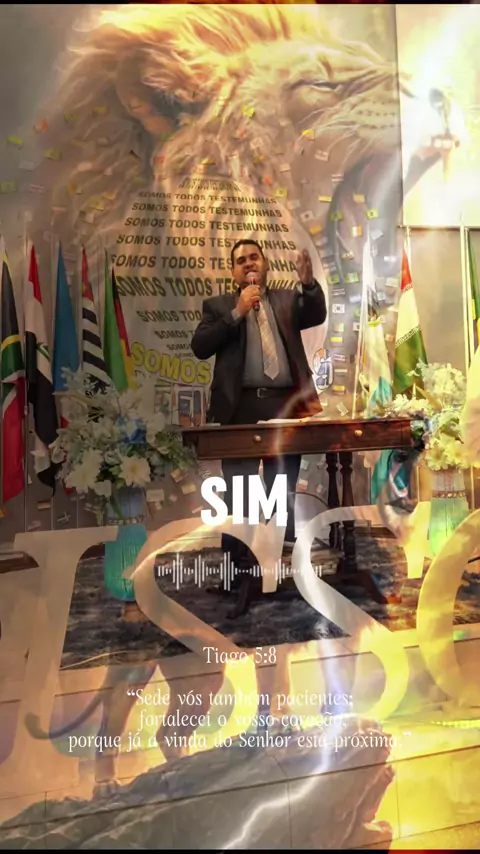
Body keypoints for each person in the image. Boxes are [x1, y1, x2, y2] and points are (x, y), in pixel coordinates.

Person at [191, 238, 327, 573]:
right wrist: (237, 312)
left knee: (282, 486)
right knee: (241, 491)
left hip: (285, 406)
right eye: (241, 261)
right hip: (241, 408)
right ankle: (237, 568)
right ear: (233, 272)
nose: (249, 263)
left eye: (254, 257)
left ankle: (280, 564)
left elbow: (315, 313)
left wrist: (308, 284)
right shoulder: (219, 306)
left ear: (265, 264)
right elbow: (200, 347)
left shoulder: (285, 299)